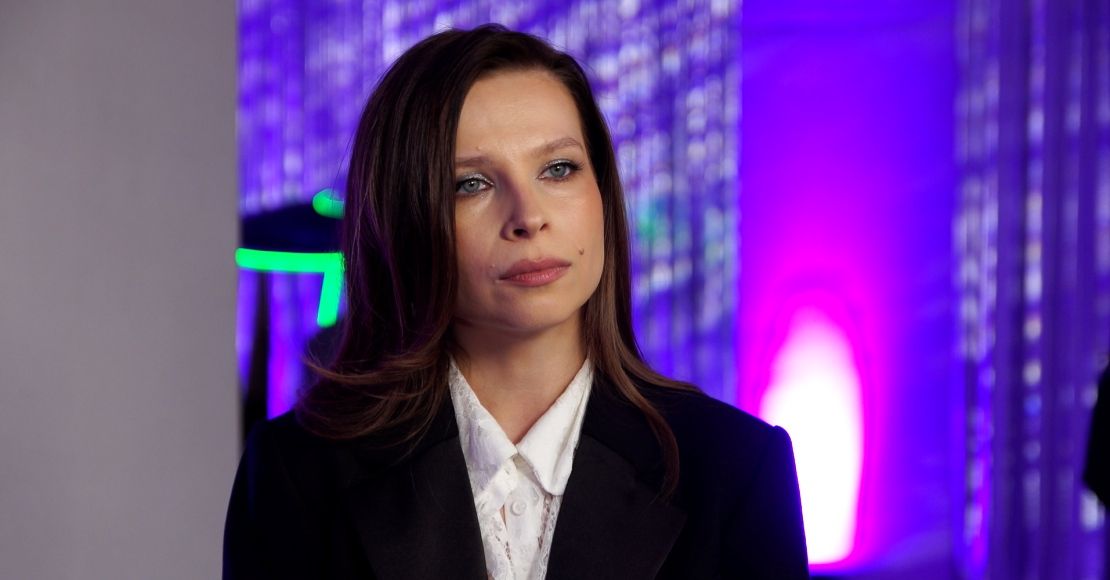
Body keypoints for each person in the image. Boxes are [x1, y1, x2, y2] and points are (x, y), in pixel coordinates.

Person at [223, 24, 809, 579]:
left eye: (558, 169)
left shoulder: (734, 466)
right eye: (471, 183)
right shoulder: (296, 473)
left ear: (602, 194)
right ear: (406, 218)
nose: (529, 217)